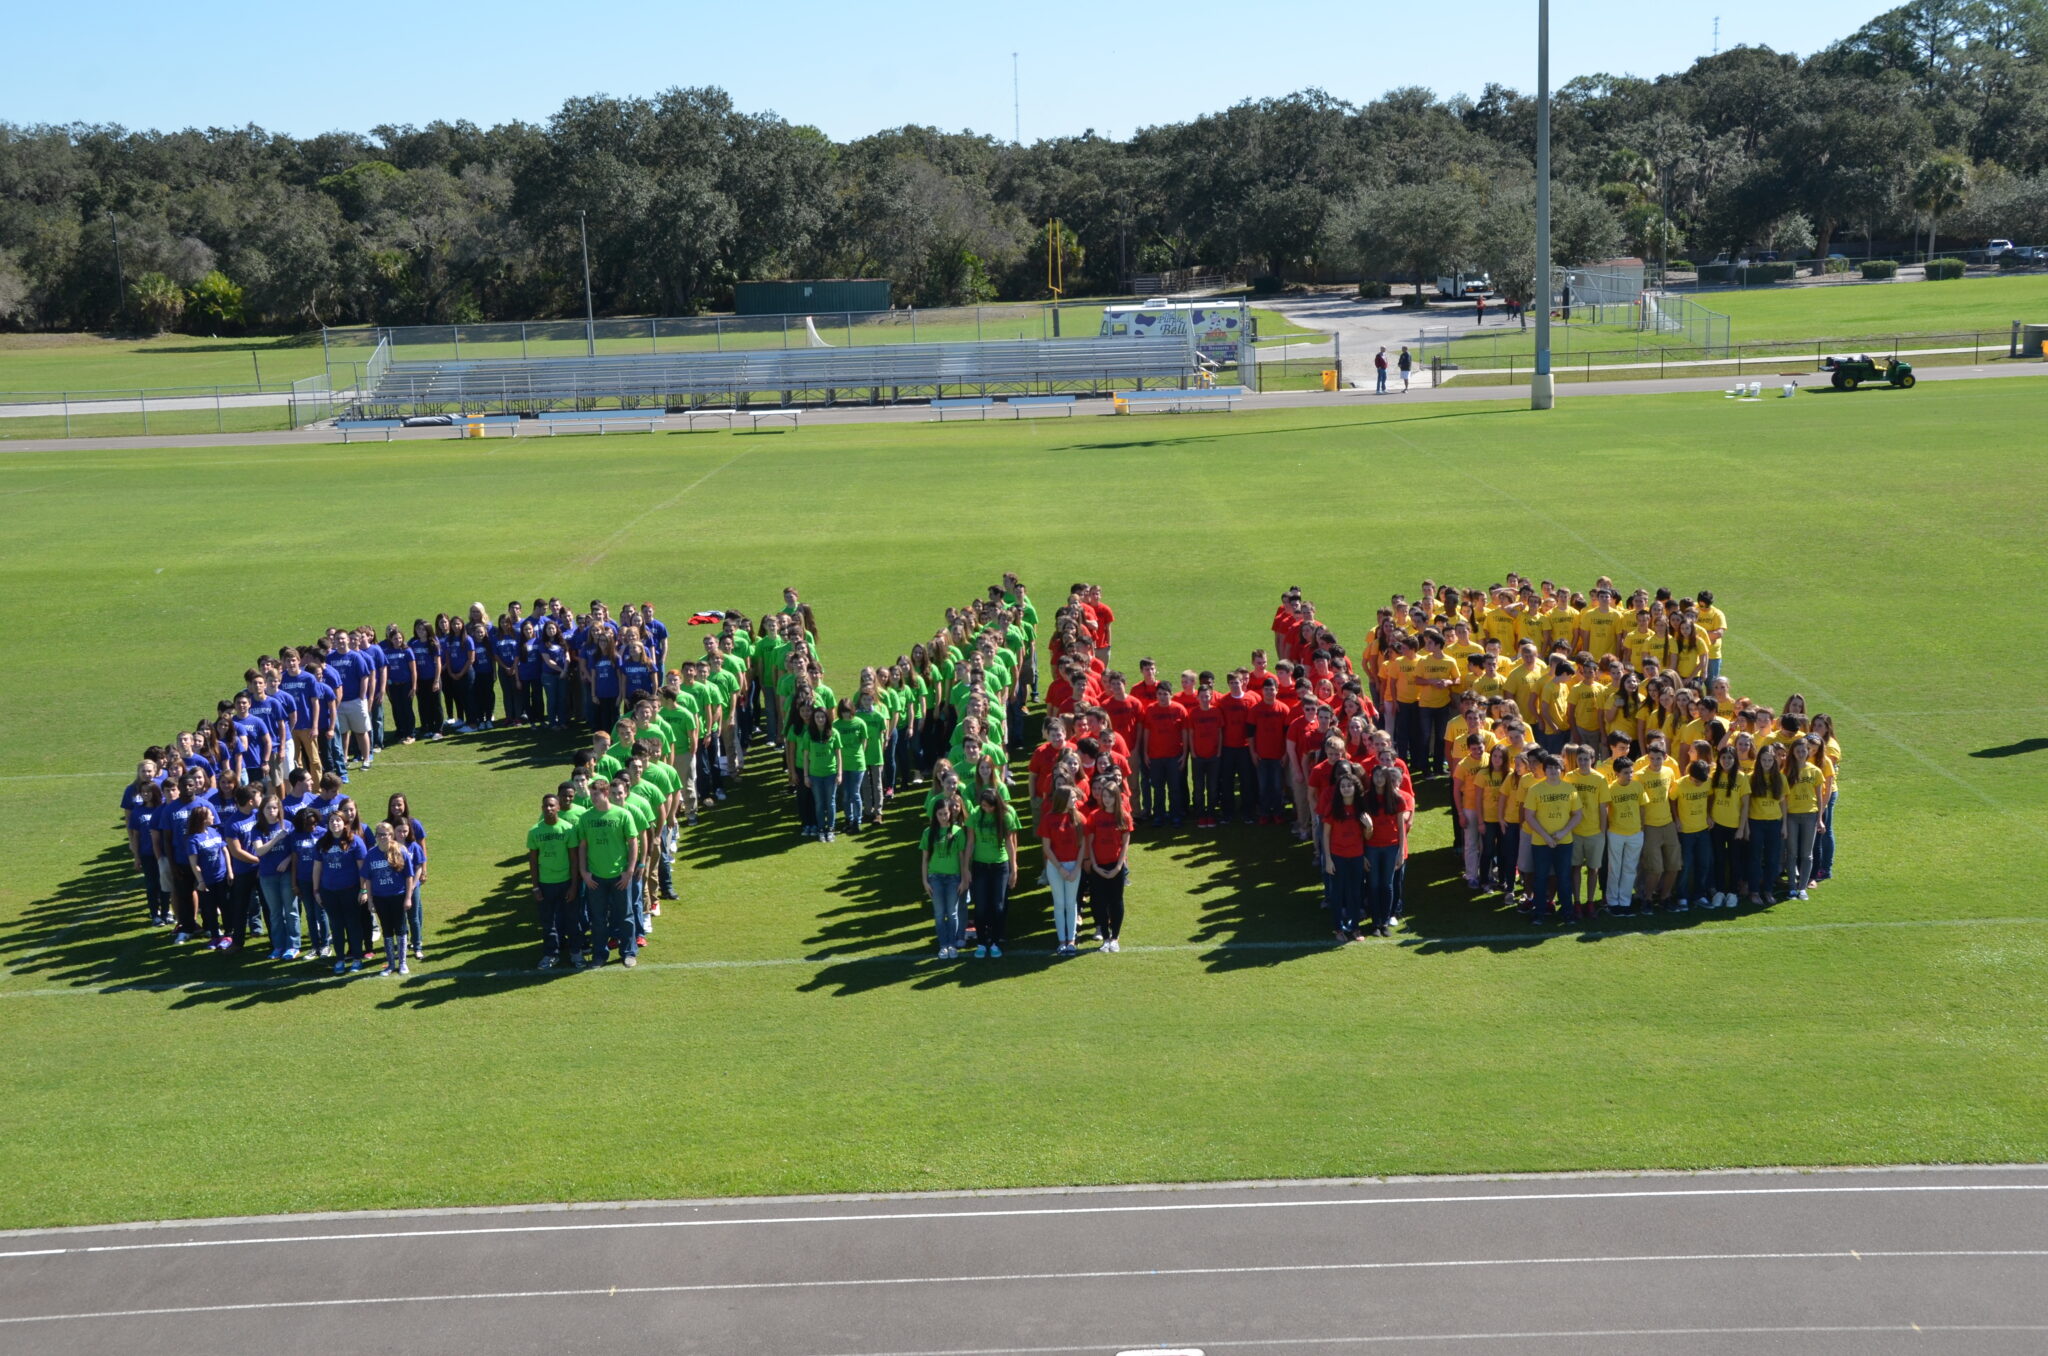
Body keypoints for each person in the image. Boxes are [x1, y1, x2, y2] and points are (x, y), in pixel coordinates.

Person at [576, 778, 640, 968]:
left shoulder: (622, 815)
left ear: (605, 794)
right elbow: (582, 846)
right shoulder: (586, 818)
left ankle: (628, 952)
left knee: (626, 915)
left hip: (619, 876)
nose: (592, 798)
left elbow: (633, 842)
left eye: (595, 794)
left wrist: (629, 871)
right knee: (598, 918)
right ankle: (599, 955)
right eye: (591, 794)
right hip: (595, 878)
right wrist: (584, 873)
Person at [963, 784, 1019, 959]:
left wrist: (1014, 868)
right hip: (980, 866)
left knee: (998, 906)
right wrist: (966, 867)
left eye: (989, 806)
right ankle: (981, 942)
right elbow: (970, 842)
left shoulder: (1006, 816)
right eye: (983, 805)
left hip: (1000, 866)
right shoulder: (975, 815)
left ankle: (995, 941)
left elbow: (1010, 844)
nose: (985, 809)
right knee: (980, 906)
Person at [311, 810, 369, 974]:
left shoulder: (355, 841)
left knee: (353, 925)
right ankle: (340, 959)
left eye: (338, 820)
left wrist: (363, 889)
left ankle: (357, 958)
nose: (335, 823)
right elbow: (317, 867)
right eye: (331, 821)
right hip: (329, 891)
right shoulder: (322, 843)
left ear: (345, 823)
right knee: (336, 926)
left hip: (351, 890)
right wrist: (316, 890)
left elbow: (362, 868)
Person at [1083, 773, 1133, 951]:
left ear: (1117, 798)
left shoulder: (1124, 817)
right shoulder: (1094, 816)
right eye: (1104, 796)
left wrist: (1118, 867)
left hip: (1116, 865)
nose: (1107, 799)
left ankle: (1115, 937)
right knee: (1099, 902)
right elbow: (1090, 843)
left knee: (1116, 901)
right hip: (1098, 866)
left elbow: (1125, 844)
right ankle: (1105, 937)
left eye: (1110, 796)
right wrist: (1095, 865)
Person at [363, 822, 418, 977]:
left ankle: (402, 963)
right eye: (379, 834)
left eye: (385, 834)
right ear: (376, 836)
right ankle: (390, 964)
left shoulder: (401, 851)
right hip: (380, 898)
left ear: (391, 835)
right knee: (387, 930)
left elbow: (409, 876)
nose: (383, 837)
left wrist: (408, 897)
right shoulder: (371, 854)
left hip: (398, 896)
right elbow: (368, 878)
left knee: (400, 930)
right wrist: (371, 900)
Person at [1038, 785, 1087, 956]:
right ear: (1063, 799)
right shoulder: (1048, 819)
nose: (1075, 800)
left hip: (1074, 865)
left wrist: (1076, 868)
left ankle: (1071, 941)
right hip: (1055, 866)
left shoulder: (1079, 818)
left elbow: (1083, 846)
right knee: (1059, 903)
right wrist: (1059, 868)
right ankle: (1062, 941)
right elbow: (1046, 847)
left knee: (1071, 903)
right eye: (1072, 797)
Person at [920, 796, 967, 959]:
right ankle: (943, 945)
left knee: (952, 913)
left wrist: (963, 879)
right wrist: (925, 881)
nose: (943, 817)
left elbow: (962, 858)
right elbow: (925, 859)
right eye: (940, 814)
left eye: (945, 814)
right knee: (939, 913)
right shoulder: (928, 833)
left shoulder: (958, 832)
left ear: (951, 814)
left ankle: (952, 944)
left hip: (954, 878)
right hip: (935, 878)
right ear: (935, 815)